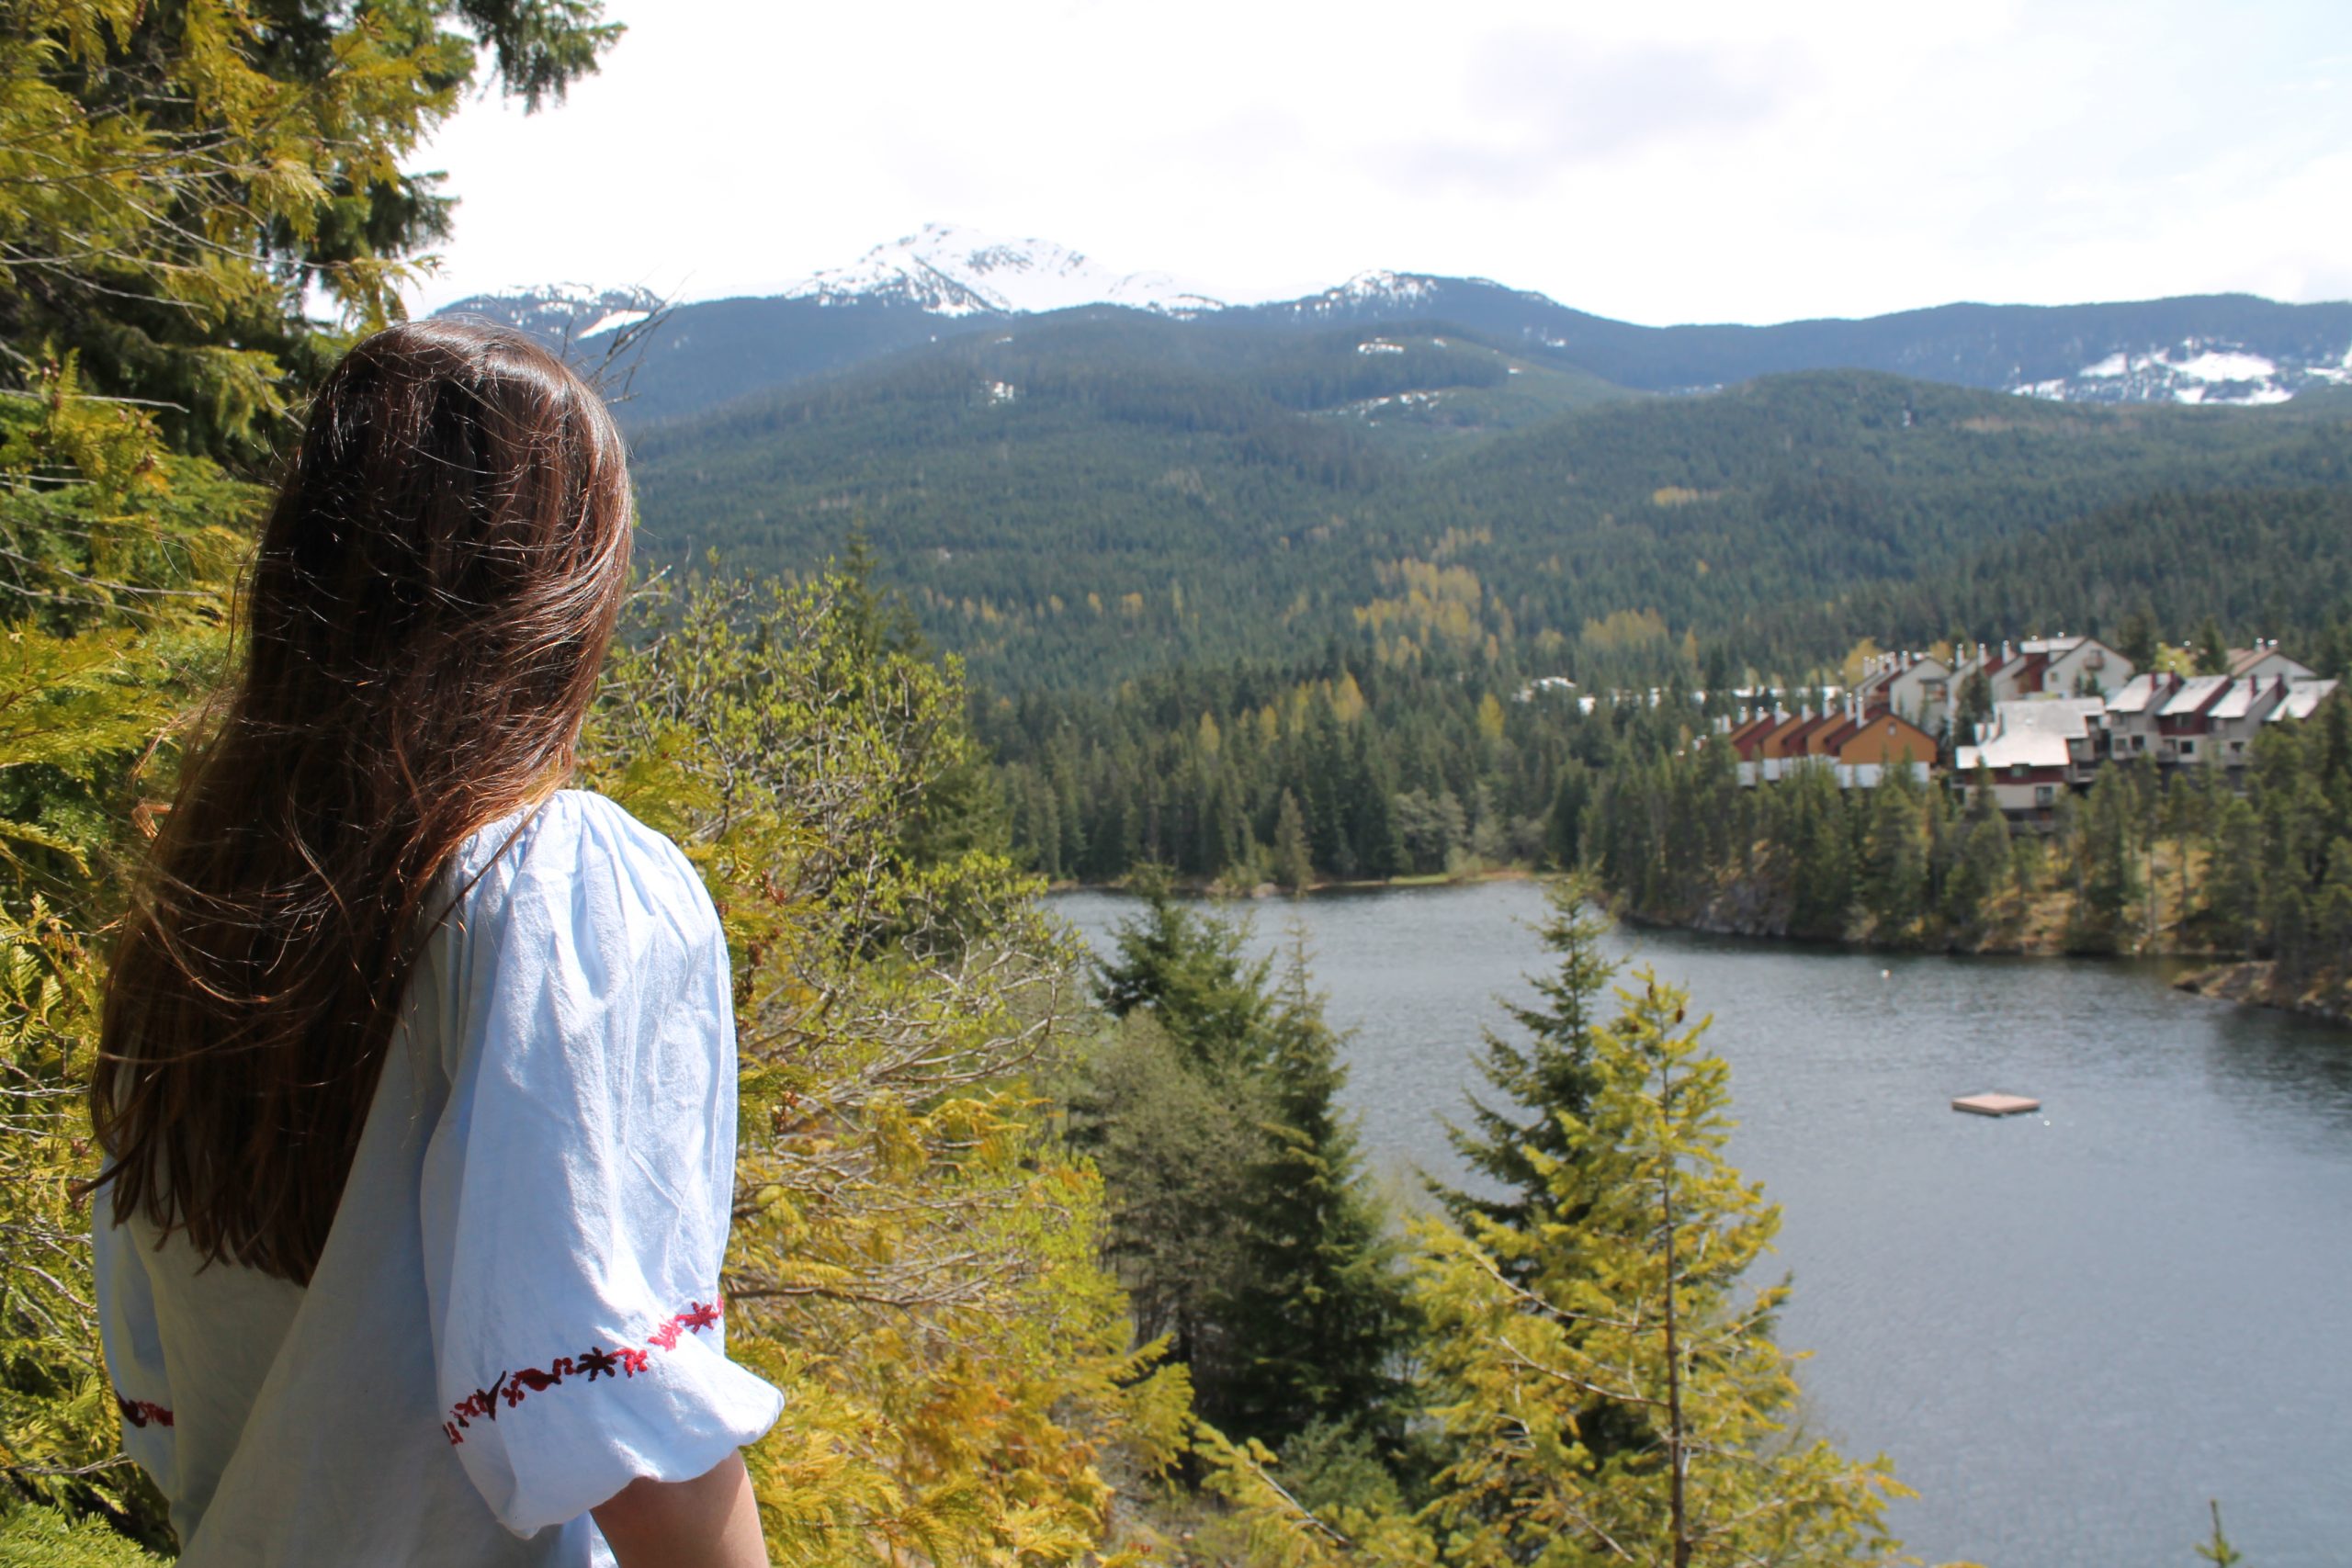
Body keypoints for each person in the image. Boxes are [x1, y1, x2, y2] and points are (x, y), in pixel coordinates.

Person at [85, 320, 781, 1566]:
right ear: (558, 600)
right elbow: (629, 1444)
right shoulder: (546, 890)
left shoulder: (200, 919)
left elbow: (175, 1398)